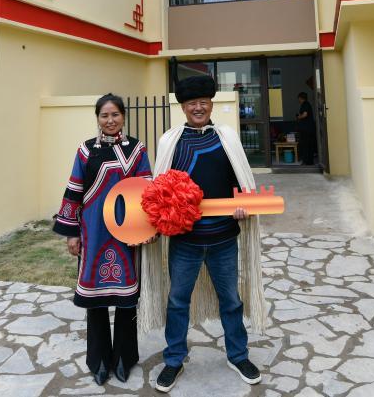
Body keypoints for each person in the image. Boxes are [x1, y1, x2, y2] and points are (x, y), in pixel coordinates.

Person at [140, 74, 267, 393]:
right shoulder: (170, 141)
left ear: (211, 104)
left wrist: (243, 204)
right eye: (191, 103)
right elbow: (160, 190)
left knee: (231, 301)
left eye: (203, 102)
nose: (198, 108)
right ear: (183, 107)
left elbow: (240, 182)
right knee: (177, 301)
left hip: (224, 237)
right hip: (185, 241)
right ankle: (174, 360)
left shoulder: (227, 138)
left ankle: (238, 356)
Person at [53, 93, 152, 386]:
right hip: (93, 231)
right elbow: (74, 191)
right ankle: (98, 361)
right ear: (97, 118)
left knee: (126, 300)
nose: (110, 120)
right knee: (95, 300)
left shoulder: (137, 149)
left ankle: (124, 358)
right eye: (104, 115)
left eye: (115, 115)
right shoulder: (86, 150)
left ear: (124, 116)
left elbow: (147, 192)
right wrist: (71, 232)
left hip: (126, 232)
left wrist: (144, 229)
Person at [295, 91, 317, 165]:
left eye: (298, 98)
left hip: (307, 129)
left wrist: (299, 117)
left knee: (306, 145)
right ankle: (309, 162)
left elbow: (305, 114)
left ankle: (307, 162)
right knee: (309, 145)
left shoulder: (305, 104)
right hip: (309, 129)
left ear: (301, 98)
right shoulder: (307, 104)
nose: (298, 100)